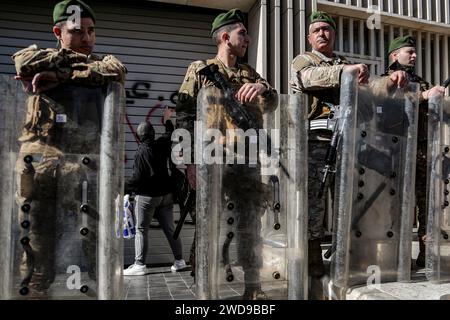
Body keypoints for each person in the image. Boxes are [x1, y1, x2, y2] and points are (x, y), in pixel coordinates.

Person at [12, 0, 126, 297]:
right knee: (37, 252)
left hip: (85, 172)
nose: (87, 39)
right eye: (78, 32)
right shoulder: (39, 56)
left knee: (97, 247)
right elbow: (23, 63)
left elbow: (116, 70)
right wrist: (69, 65)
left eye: (91, 31)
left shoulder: (101, 61)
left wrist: (63, 76)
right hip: (41, 171)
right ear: (58, 32)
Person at [176, 8, 277, 299]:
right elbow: (183, 116)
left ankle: (253, 286)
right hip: (212, 157)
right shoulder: (200, 69)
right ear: (225, 37)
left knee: (249, 223)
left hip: (246, 157)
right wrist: (189, 162)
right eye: (242, 33)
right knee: (210, 221)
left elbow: (271, 103)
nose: (247, 38)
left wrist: (261, 87)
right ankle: (205, 286)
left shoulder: (249, 74)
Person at [290, 11, 369, 283]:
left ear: (334, 34)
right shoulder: (304, 60)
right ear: (310, 37)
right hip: (316, 141)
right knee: (315, 200)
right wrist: (345, 72)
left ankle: (342, 251)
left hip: (346, 140)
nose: (323, 34)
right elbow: (309, 78)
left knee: (345, 198)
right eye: (318, 30)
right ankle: (313, 254)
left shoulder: (344, 63)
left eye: (327, 29)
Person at [381, 35, 445, 268]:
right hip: (398, 155)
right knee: (399, 206)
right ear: (395, 55)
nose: (415, 55)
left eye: (415, 52)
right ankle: (398, 256)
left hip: (425, 153)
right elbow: (393, 99)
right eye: (410, 51)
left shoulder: (421, 81)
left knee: (427, 204)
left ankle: (426, 253)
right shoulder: (386, 80)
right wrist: (425, 96)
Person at [123, 107, 187, 276]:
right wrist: (167, 118)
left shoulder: (141, 152)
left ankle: (139, 264)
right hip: (166, 196)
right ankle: (180, 261)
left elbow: (137, 178)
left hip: (148, 197)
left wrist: (122, 188)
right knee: (170, 229)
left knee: (141, 229)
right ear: (152, 134)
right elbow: (169, 133)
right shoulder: (162, 144)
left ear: (138, 136)